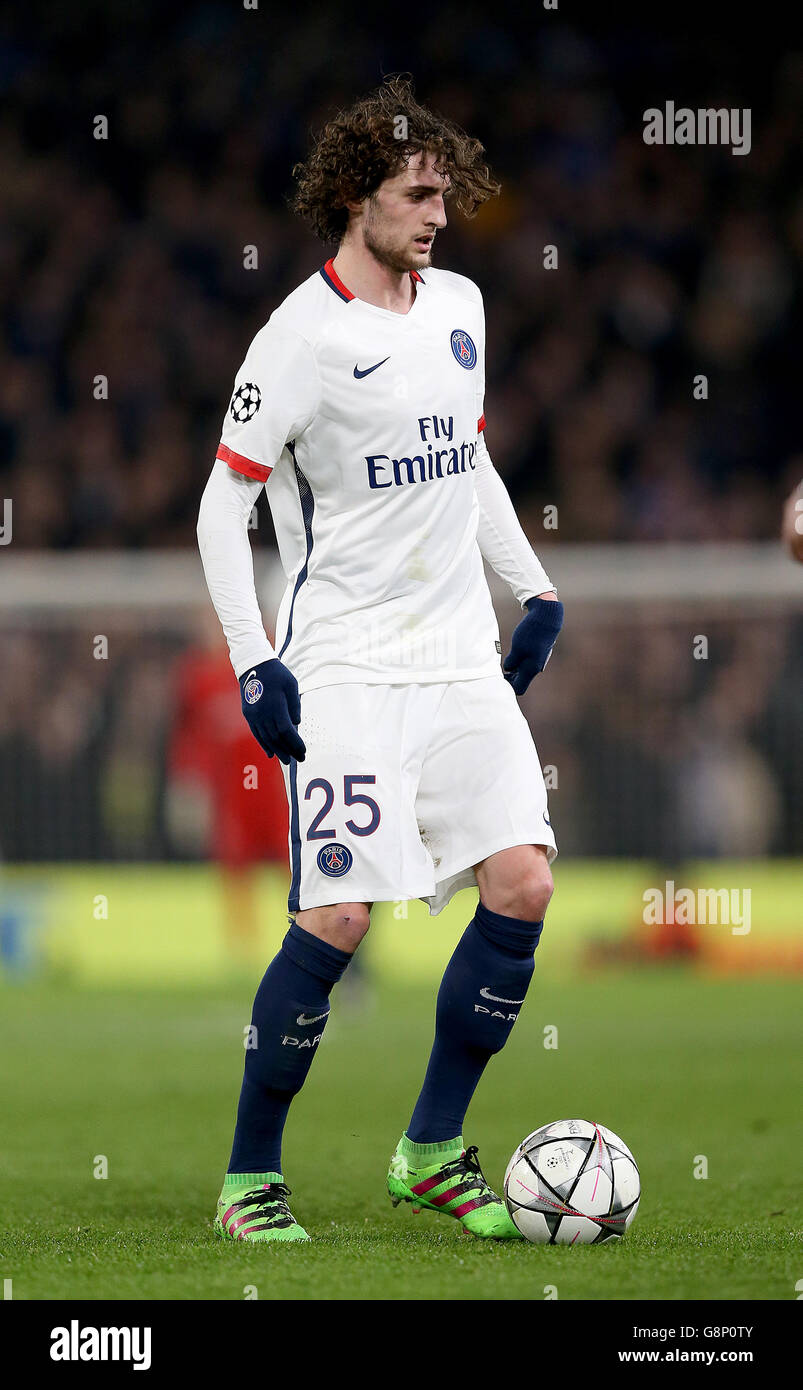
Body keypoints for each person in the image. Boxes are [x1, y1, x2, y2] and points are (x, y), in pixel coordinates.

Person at [197, 75, 563, 1243]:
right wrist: (256, 661)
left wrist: (533, 585)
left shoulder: (458, 305)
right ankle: (249, 1177)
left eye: (444, 196)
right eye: (416, 194)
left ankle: (431, 1146)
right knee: (337, 921)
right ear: (356, 195)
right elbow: (220, 511)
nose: (438, 216)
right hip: (347, 667)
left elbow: (468, 459)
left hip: (458, 660)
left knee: (523, 882)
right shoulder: (298, 340)